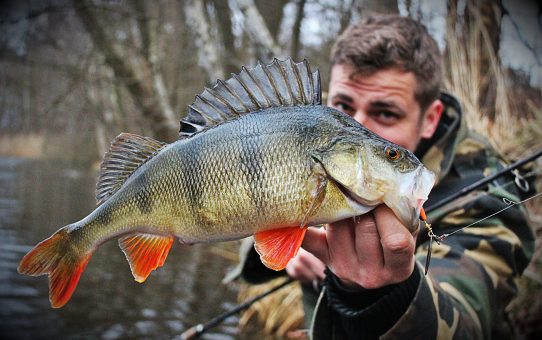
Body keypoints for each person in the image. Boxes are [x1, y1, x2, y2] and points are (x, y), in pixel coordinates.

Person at [236, 14, 534, 339]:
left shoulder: (489, 192)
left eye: (385, 113)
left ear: (430, 118)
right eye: (344, 106)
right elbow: (233, 201)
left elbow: (467, 323)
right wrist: (287, 250)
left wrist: (384, 296)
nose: (358, 129)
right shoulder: (301, 138)